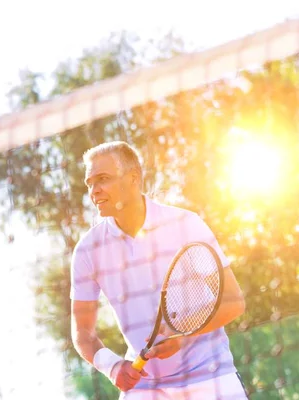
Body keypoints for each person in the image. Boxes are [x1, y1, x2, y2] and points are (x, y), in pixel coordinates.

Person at [70, 141, 247, 399]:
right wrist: (113, 366)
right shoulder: (87, 250)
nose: (94, 191)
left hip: (210, 374)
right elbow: (82, 332)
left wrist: (184, 334)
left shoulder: (186, 224)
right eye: (90, 183)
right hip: (145, 387)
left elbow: (234, 302)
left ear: (133, 179)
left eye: (103, 179)